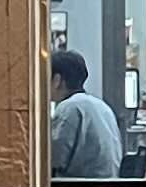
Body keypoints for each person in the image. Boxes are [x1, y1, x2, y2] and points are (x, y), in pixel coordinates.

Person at [49, 49, 123, 179]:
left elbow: (54, 160)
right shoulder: (102, 106)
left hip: (79, 186)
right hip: (109, 183)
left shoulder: (69, 108)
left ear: (57, 80)